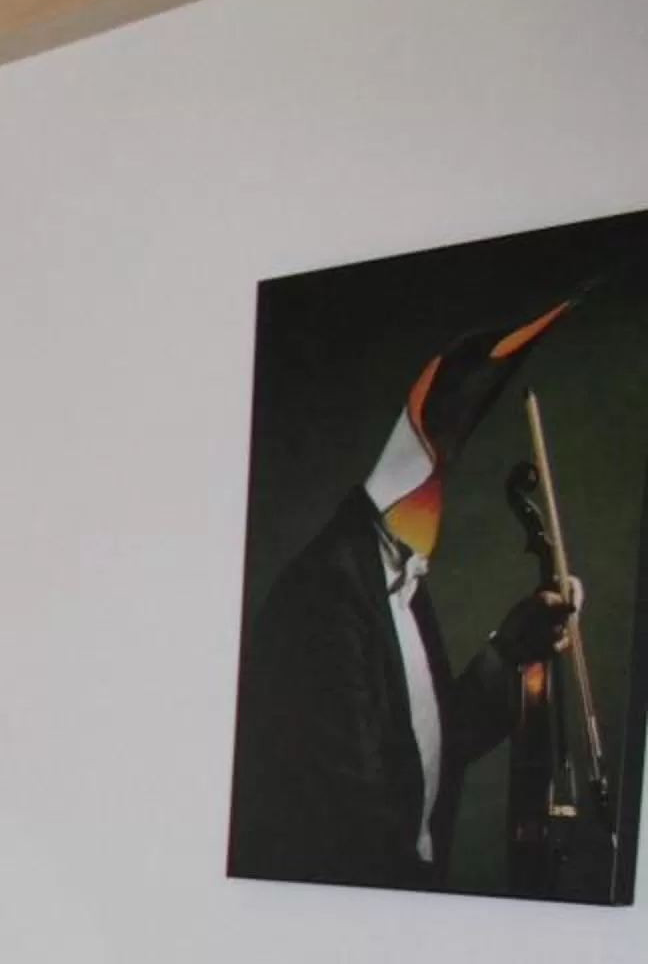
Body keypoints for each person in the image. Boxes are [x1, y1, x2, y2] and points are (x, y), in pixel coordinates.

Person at [228, 303, 583, 891]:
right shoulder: (330, 592)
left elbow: (429, 751)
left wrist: (510, 649)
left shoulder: (397, 575)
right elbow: (351, 814)